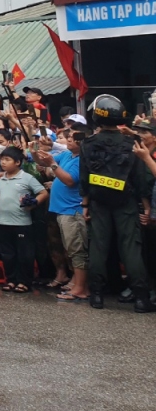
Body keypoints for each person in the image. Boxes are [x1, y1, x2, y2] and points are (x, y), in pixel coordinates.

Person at [80, 95, 152, 312]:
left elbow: (84, 178)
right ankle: (141, 298)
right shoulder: (132, 143)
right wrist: (146, 205)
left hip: (98, 202)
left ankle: (97, 296)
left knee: (98, 248)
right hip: (126, 202)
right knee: (131, 248)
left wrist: (85, 204)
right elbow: (140, 179)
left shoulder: (87, 144)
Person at [0, 146, 47, 293]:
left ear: (17, 162)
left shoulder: (27, 178)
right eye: (2, 159)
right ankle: (10, 280)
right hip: (2, 222)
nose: (3, 162)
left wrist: (34, 202)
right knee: (7, 254)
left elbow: (43, 192)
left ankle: (24, 281)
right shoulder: (0, 179)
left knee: (24, 254)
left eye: (7, 160)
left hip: (22, 223)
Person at [35, 123, 90, 302]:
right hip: (61, 210)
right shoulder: (67, 154)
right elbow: (42, 161)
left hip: (72, 210)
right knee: (70, 249)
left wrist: (52, 164)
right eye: (68, 137)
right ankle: (77, 284)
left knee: (77, 249)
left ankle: (81, 287)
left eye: (73, 138)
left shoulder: (82, 159)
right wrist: (35, 150)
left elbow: (69, 180)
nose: (68, 140)